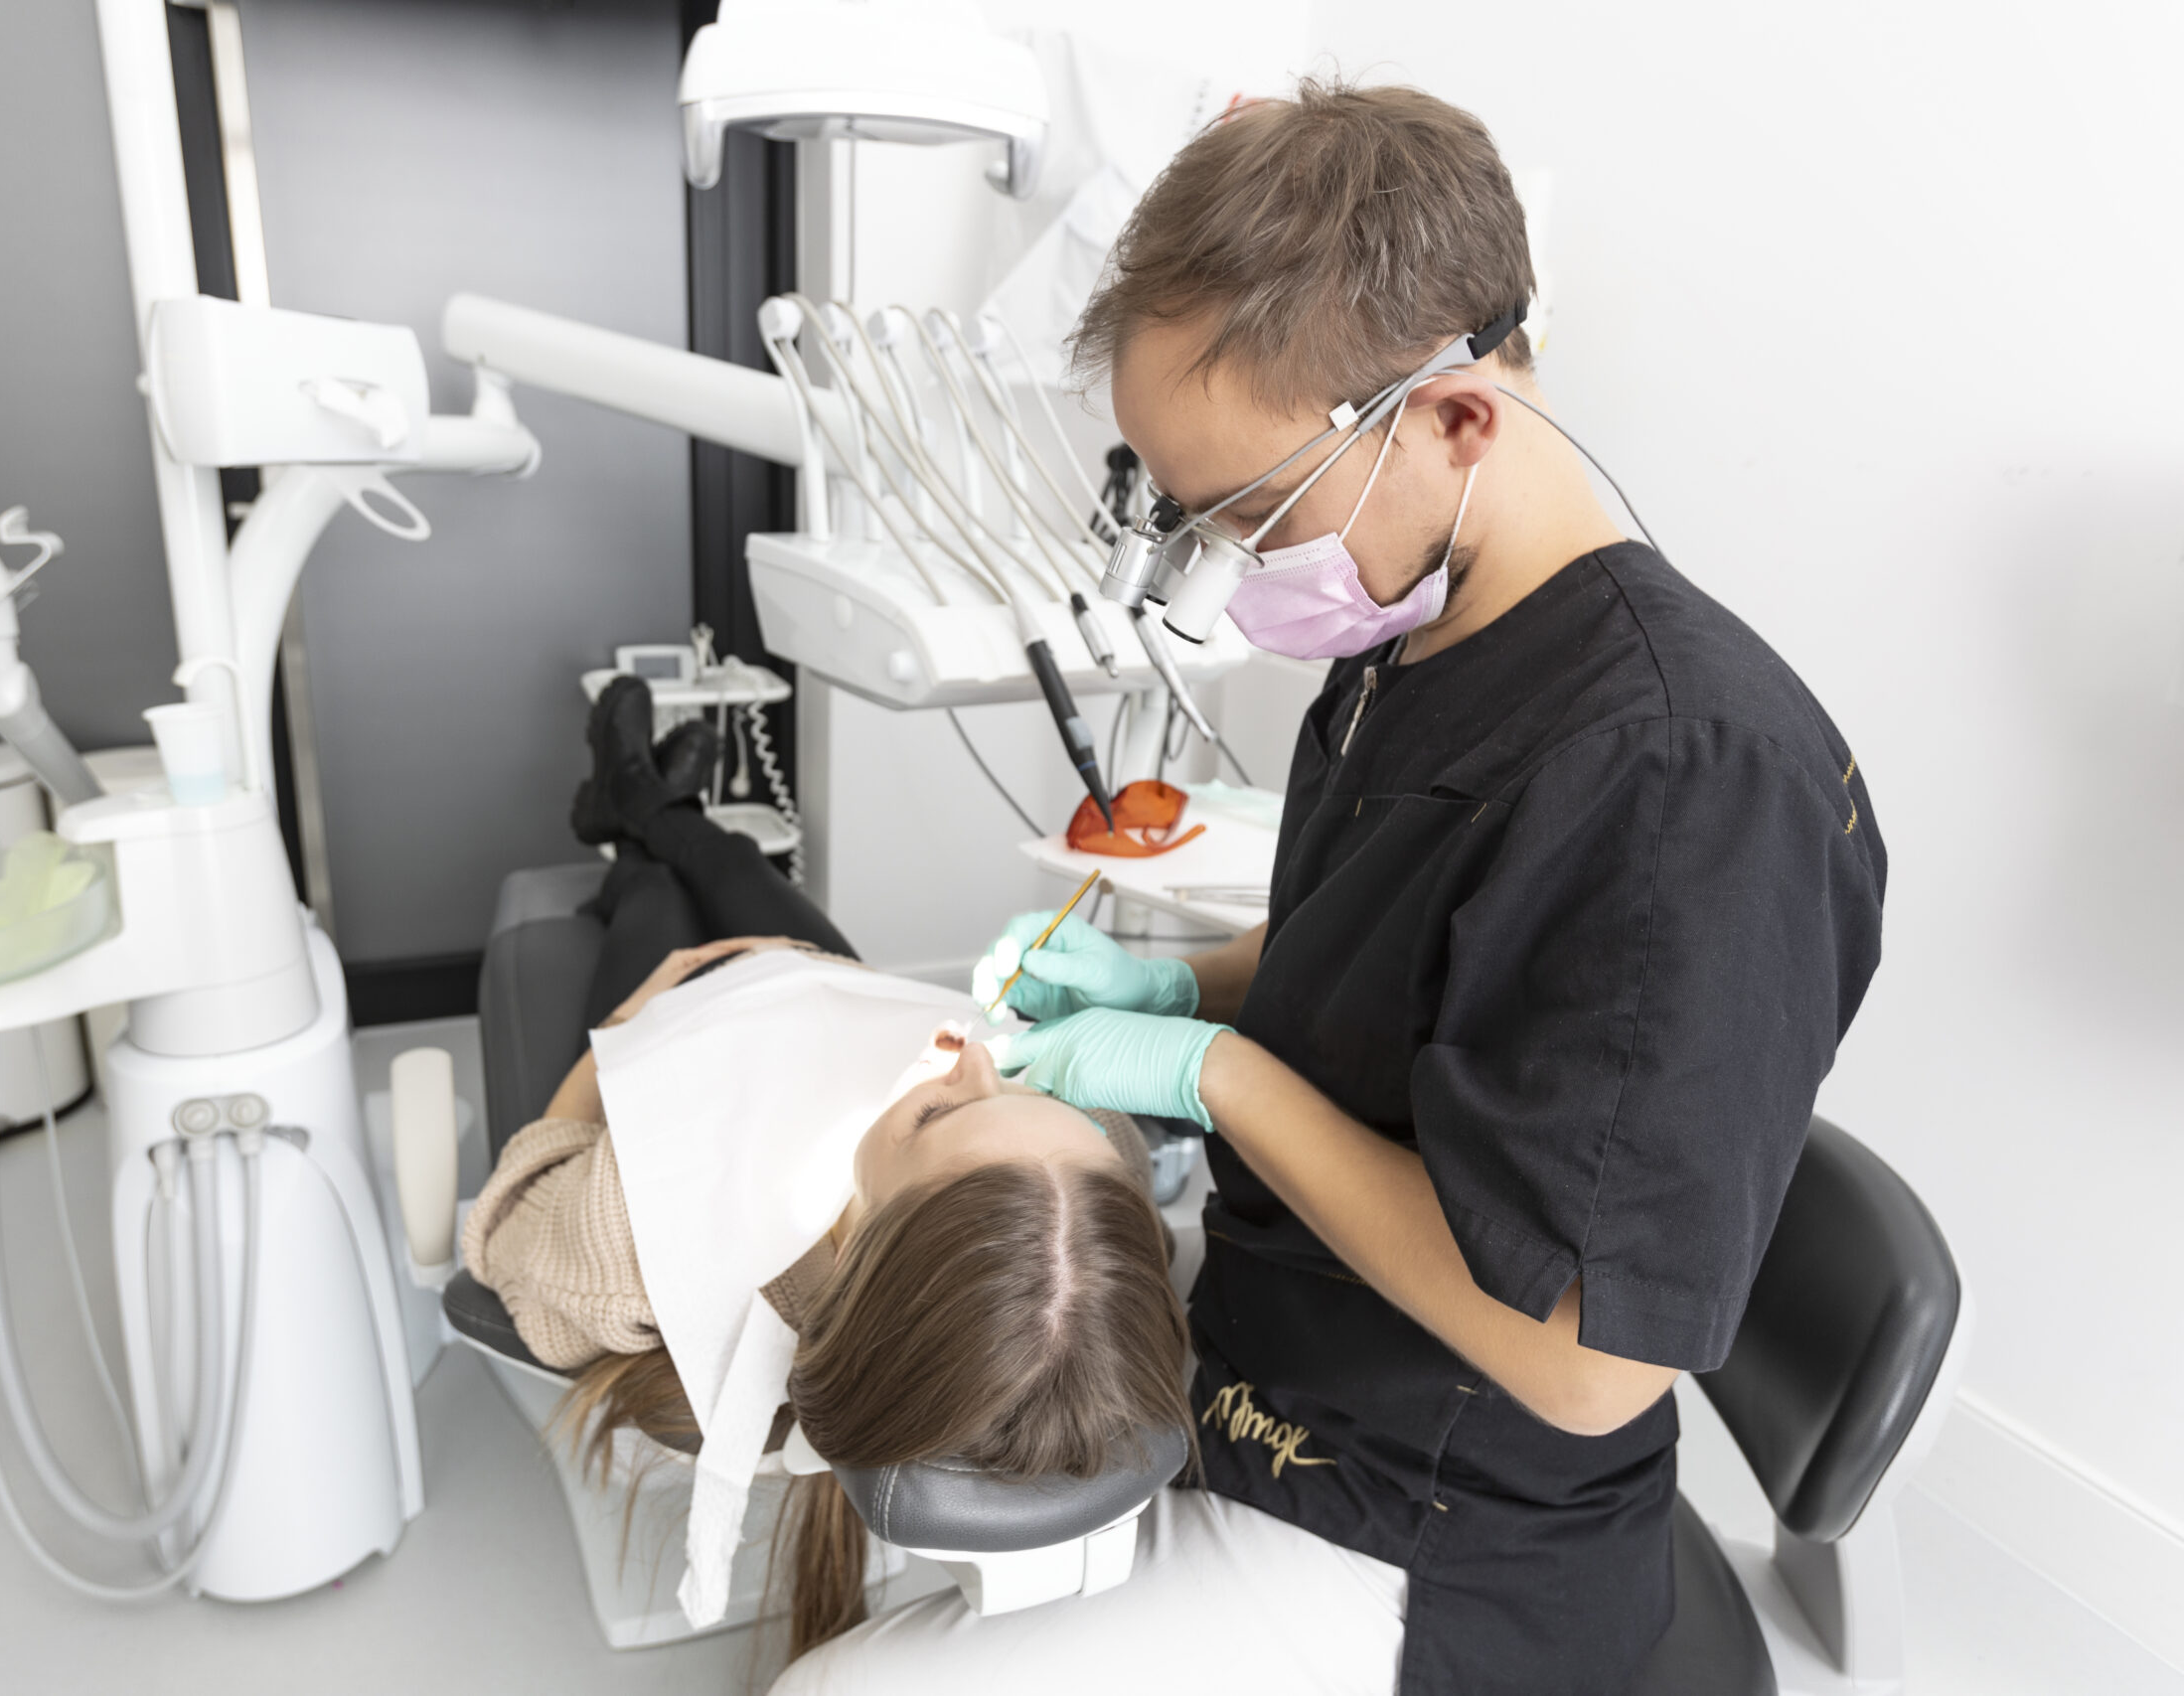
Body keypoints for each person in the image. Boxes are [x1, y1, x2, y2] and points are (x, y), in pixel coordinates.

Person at [796, 77, 1887, 1695]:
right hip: (1281, 1372)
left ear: (1453, 419)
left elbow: (1592, 1370)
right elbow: (1390, 972)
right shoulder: (1412, 653)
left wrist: (1212, 1074)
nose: (1225, 566)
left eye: (1250, 511)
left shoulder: (1682, 783)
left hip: (1435, 1539)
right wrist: (1181, 990)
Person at [462, 677, 1195, 1665]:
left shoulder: (630, 1236)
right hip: (816, 991)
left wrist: (619, 1038)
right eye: (1031, 1093)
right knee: (725, 859)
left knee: (653, 894)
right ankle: (646, 804)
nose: (968, 1048)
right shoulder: (1066, 1183)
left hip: (674, 1033)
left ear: (869, 1251)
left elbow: (504, 1218)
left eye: (942, 1107)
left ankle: (630, 818)